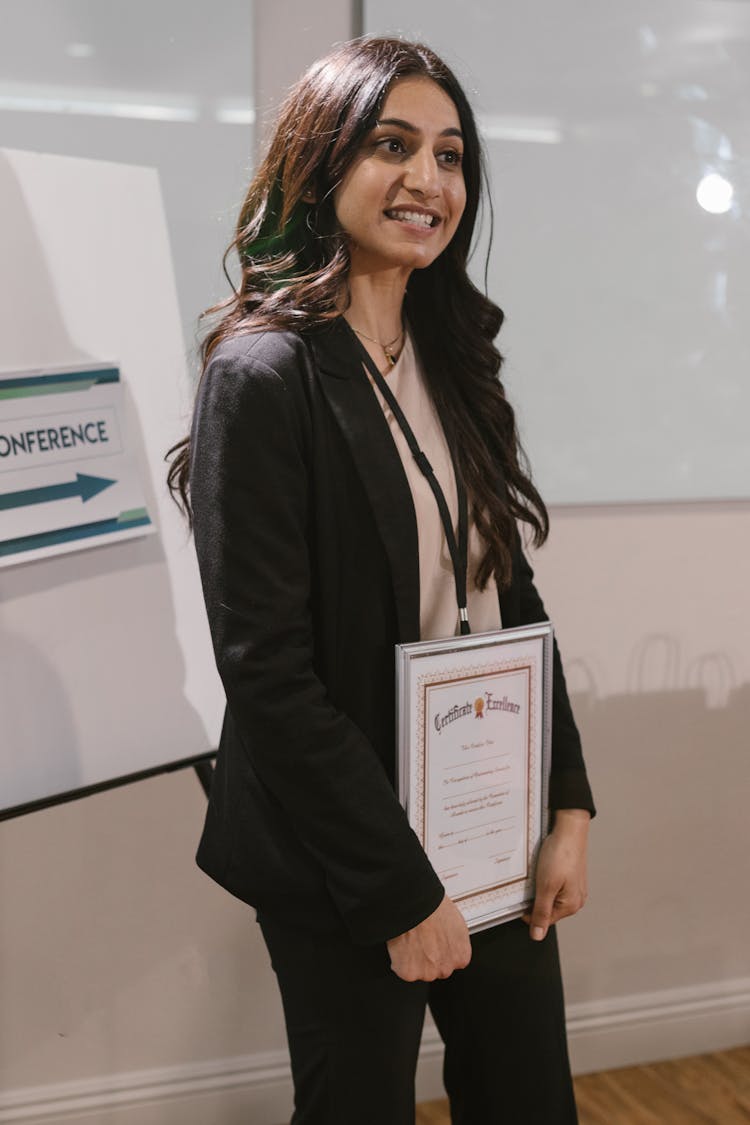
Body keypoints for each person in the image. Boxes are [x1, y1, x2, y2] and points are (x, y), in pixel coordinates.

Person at [168, 36, 595, 1125]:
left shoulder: (450, 356)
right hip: (345, 850)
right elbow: (267, 671)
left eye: (451, 156)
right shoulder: (264, 373)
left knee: (529, 1102)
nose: (429, 180)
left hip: (487, 817)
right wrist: (399, 889)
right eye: (393, 145)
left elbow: (508, 593)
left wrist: (568, 801)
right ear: (324, 162)